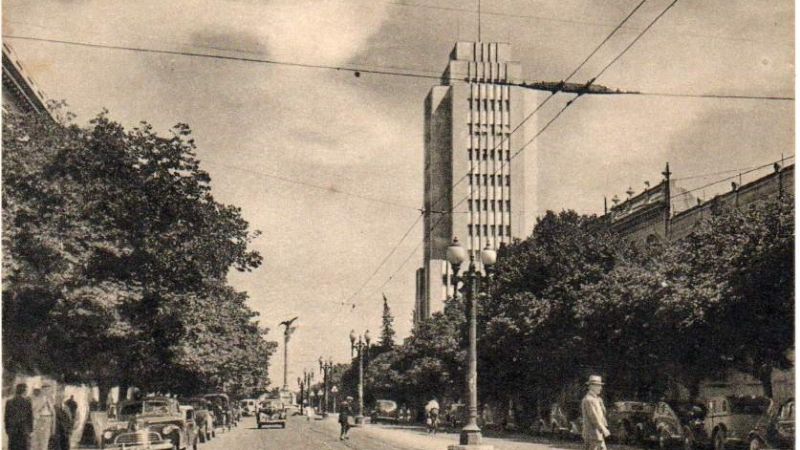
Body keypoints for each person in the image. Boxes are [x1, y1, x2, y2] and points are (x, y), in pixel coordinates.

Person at [581, 375, 610, 450]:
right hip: (592, 434)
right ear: (591, 386)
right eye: (598, 386)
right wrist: (603, 429)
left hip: (596, 434)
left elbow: (601, 415)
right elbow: (594, 417)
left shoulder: (596, 399)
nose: (601, 388)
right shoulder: (589, 400)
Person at [5, 383, 33, 450]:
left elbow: (6, 418)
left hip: (12, 430)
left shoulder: (9, 402)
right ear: (24, 391)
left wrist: (7, 429)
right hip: (24, 430)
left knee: (12, 447)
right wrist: (30, 430)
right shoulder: (27, 402)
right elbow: (30, 417)